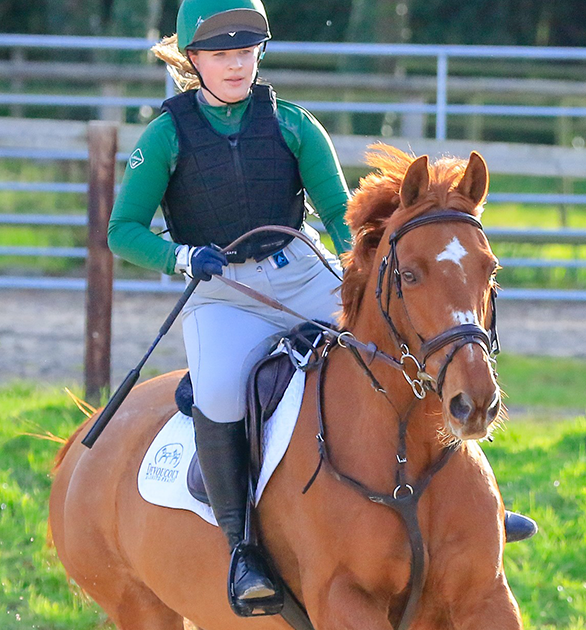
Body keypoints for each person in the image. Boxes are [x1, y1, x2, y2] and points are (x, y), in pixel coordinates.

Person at [108, 0, 352, 617]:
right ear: (193, 60)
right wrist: (182, 258)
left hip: (300, 270)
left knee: (402, 340)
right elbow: (123, 229)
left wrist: (360, 277)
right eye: (221, 55)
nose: (237, 66)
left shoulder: (295, 124)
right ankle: (244, 549)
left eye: (246, 52)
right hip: (221, 289)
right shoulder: (165, 134)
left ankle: (464, 500)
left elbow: (342, 219)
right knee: (217, 391)